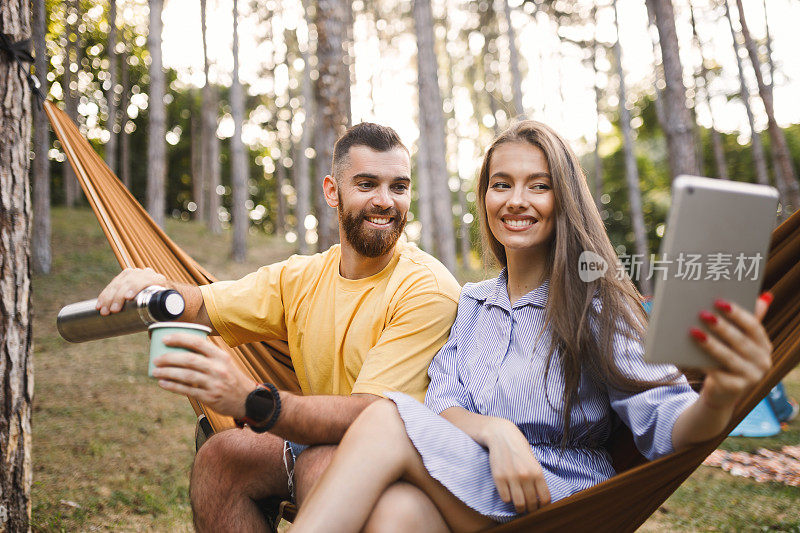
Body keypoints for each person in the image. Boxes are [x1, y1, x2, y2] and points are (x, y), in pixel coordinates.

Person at [289, 120, 774, 532]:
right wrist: (497, 432)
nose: (516, 200)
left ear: (563, 199)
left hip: (558, 502)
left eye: (538, 185)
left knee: (383, 416)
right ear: (485, 197)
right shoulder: (473, 303)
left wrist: (719, 396)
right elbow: (441, 404)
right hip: (477, 481)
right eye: (501, 184)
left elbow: (668, 423)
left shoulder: (597, 305)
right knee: (395, 513)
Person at [95, 123, 461, 531]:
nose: (385, 201)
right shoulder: (301, 277)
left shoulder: (426, 288)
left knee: (321, 465)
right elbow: (203, 306)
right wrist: (159, 286)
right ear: (332, 191)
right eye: (367, 184)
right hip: (321, 438)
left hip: (410, 464)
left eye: (399, 187)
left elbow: (372, 417)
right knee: (221, 459)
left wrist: (253, 401)